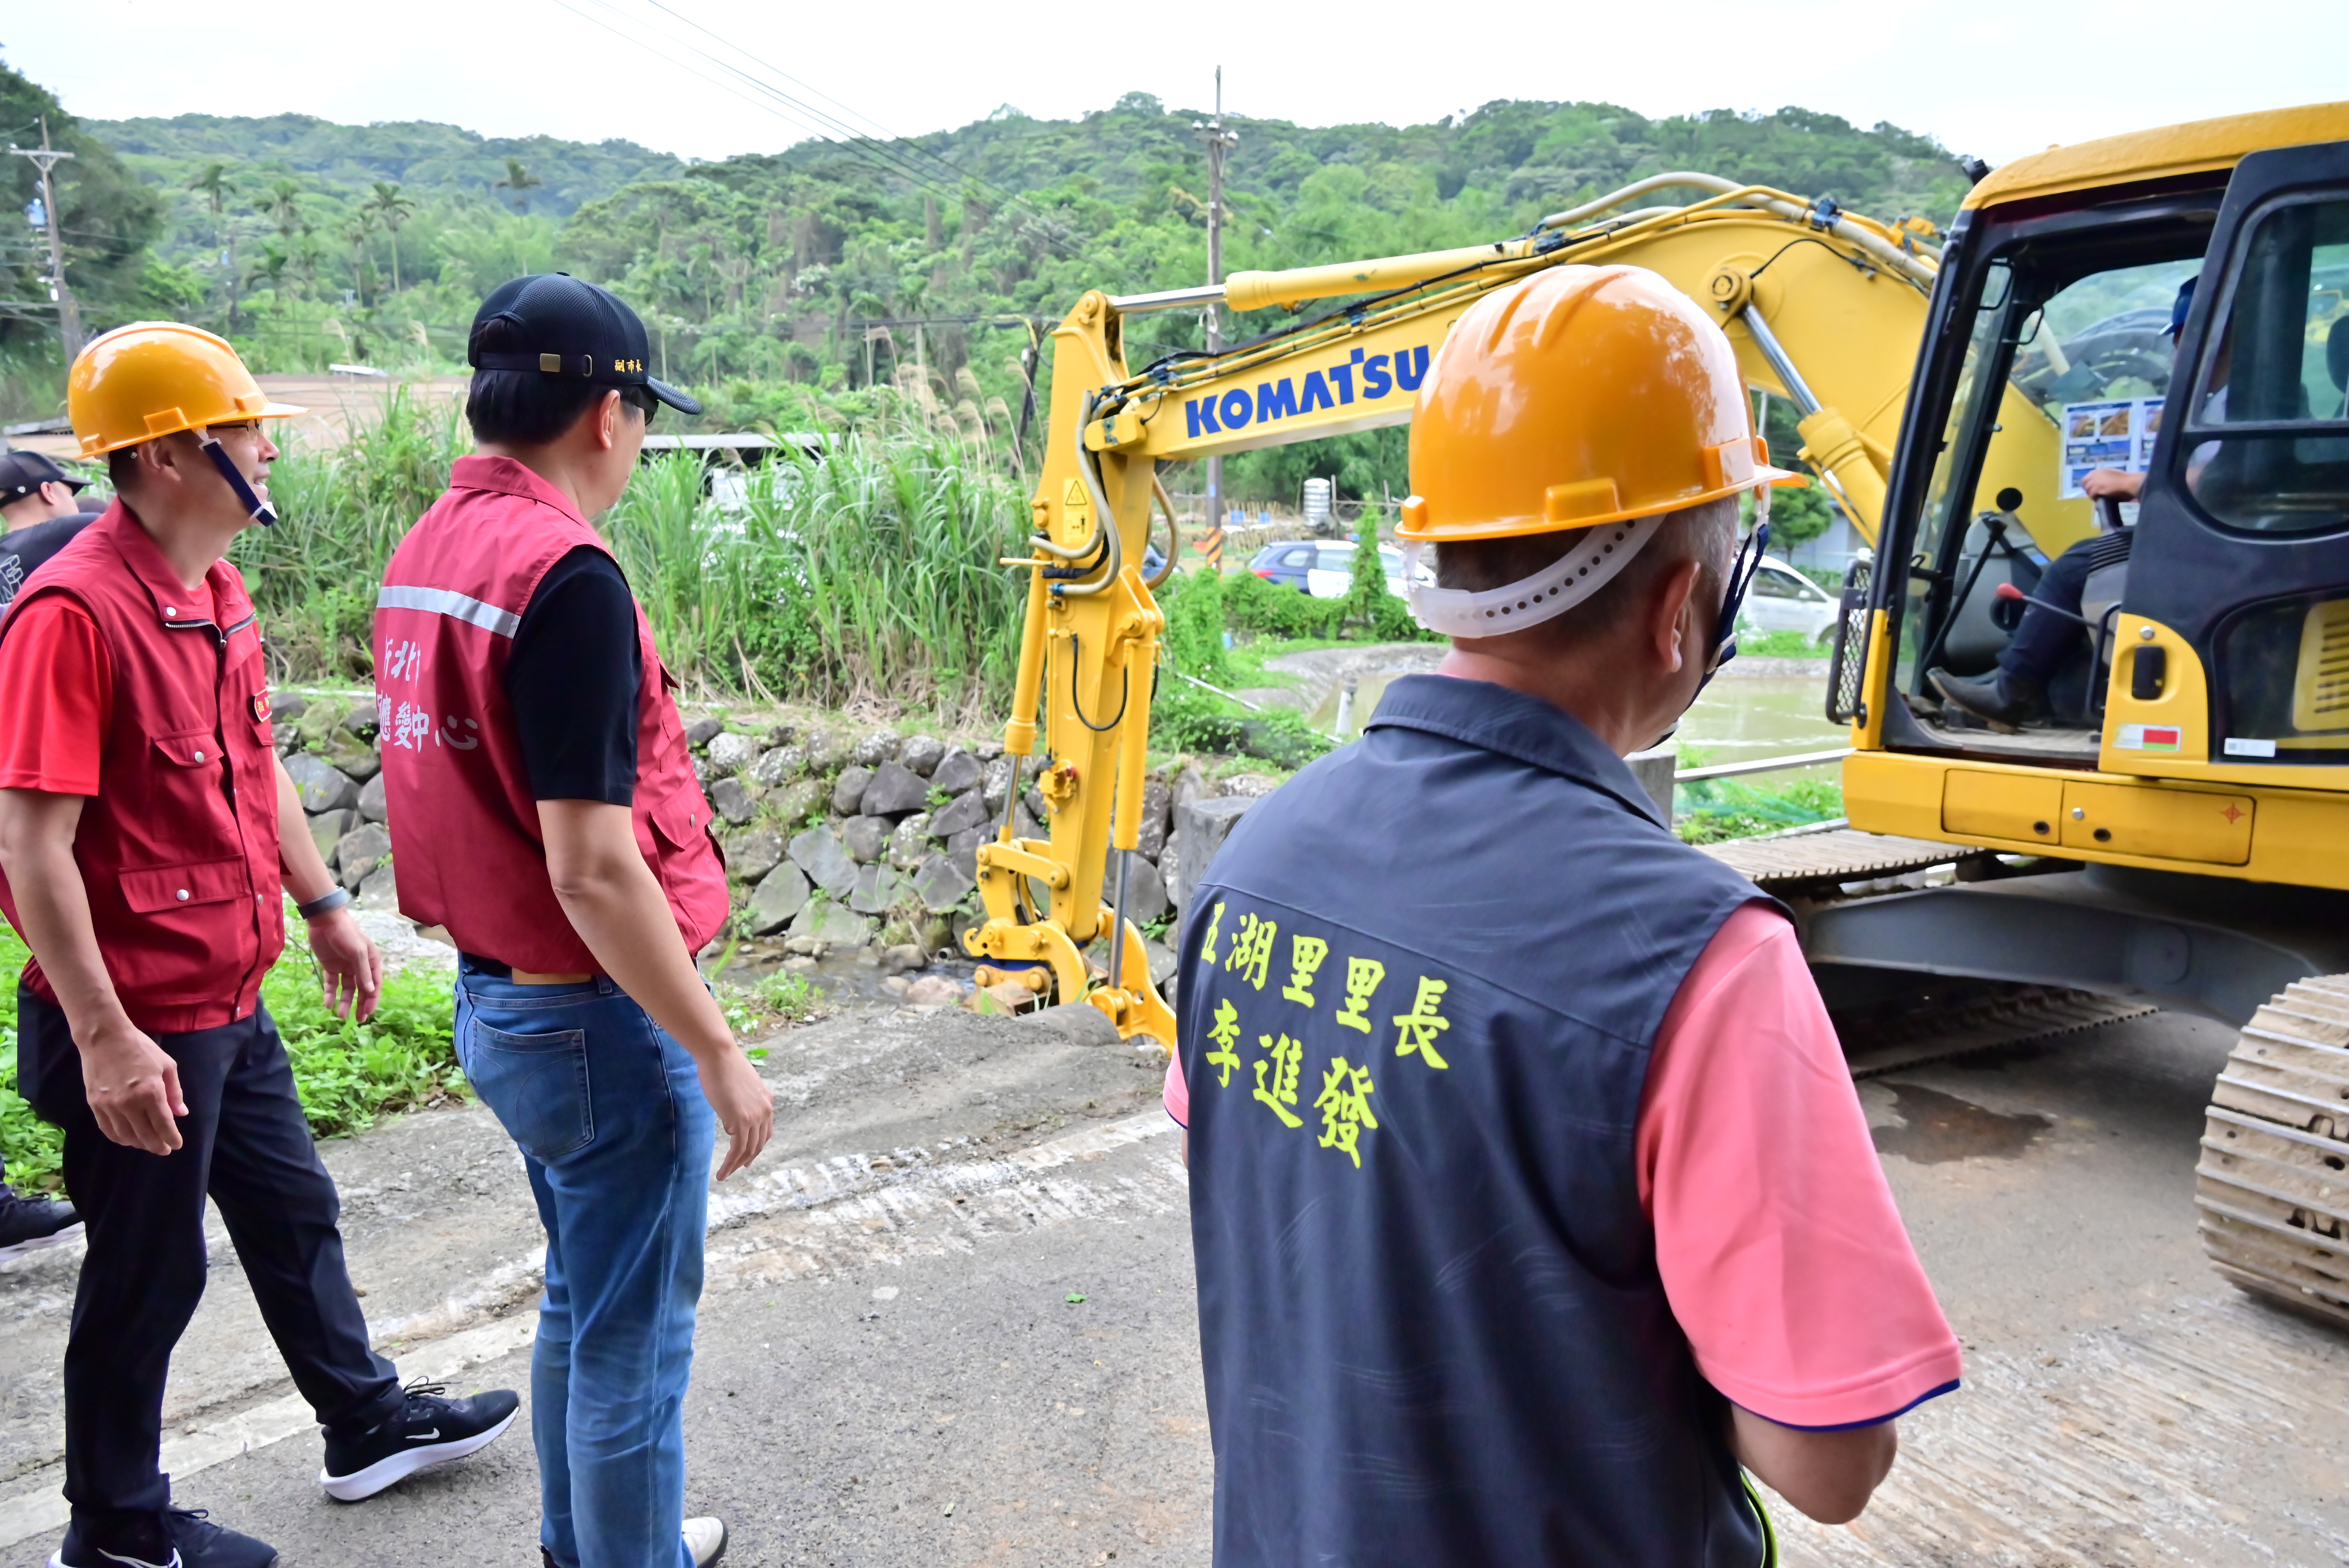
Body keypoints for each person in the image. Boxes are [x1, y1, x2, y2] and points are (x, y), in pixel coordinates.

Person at [1167, 264, 1962, 1566]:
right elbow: (1823, 1460)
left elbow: (1283, 1175)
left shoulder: (1258, 857)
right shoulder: (1700, 960)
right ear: (1674, 612)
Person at [0, 323, 520, 1568]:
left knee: (292, 1211)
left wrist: (328, 904)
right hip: (137, 1019)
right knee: (146, 1274)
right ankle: (117, 1531)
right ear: (172, 454)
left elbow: (251, 771)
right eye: (244, 431)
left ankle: (362, 1422)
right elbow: (30, 849)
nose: (264, 449)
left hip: (229, 989)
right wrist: (106, 1034)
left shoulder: (217, 588)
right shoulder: (73, 615)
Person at [373, 274, 774, 1568]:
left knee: (580, 1296)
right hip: (593, 1021)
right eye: (643, 414)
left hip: (499, 1000)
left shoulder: (435, 542)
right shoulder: (569, 576)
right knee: (634, 1343)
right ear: (606, 412)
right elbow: (595, 870)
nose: (641, 441)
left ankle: (582, 1539)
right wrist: (712, 1044)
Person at [1931, 276, 2198, 729]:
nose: (2176, 352)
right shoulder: (2239, 403)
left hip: (2212, 551)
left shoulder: (2242, 406)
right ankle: (2009, 682)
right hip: (2206, 540)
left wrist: (2133, 482)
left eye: (2180, 337)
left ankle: (2011, 694)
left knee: (2077, 567)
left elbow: (2216, 482)